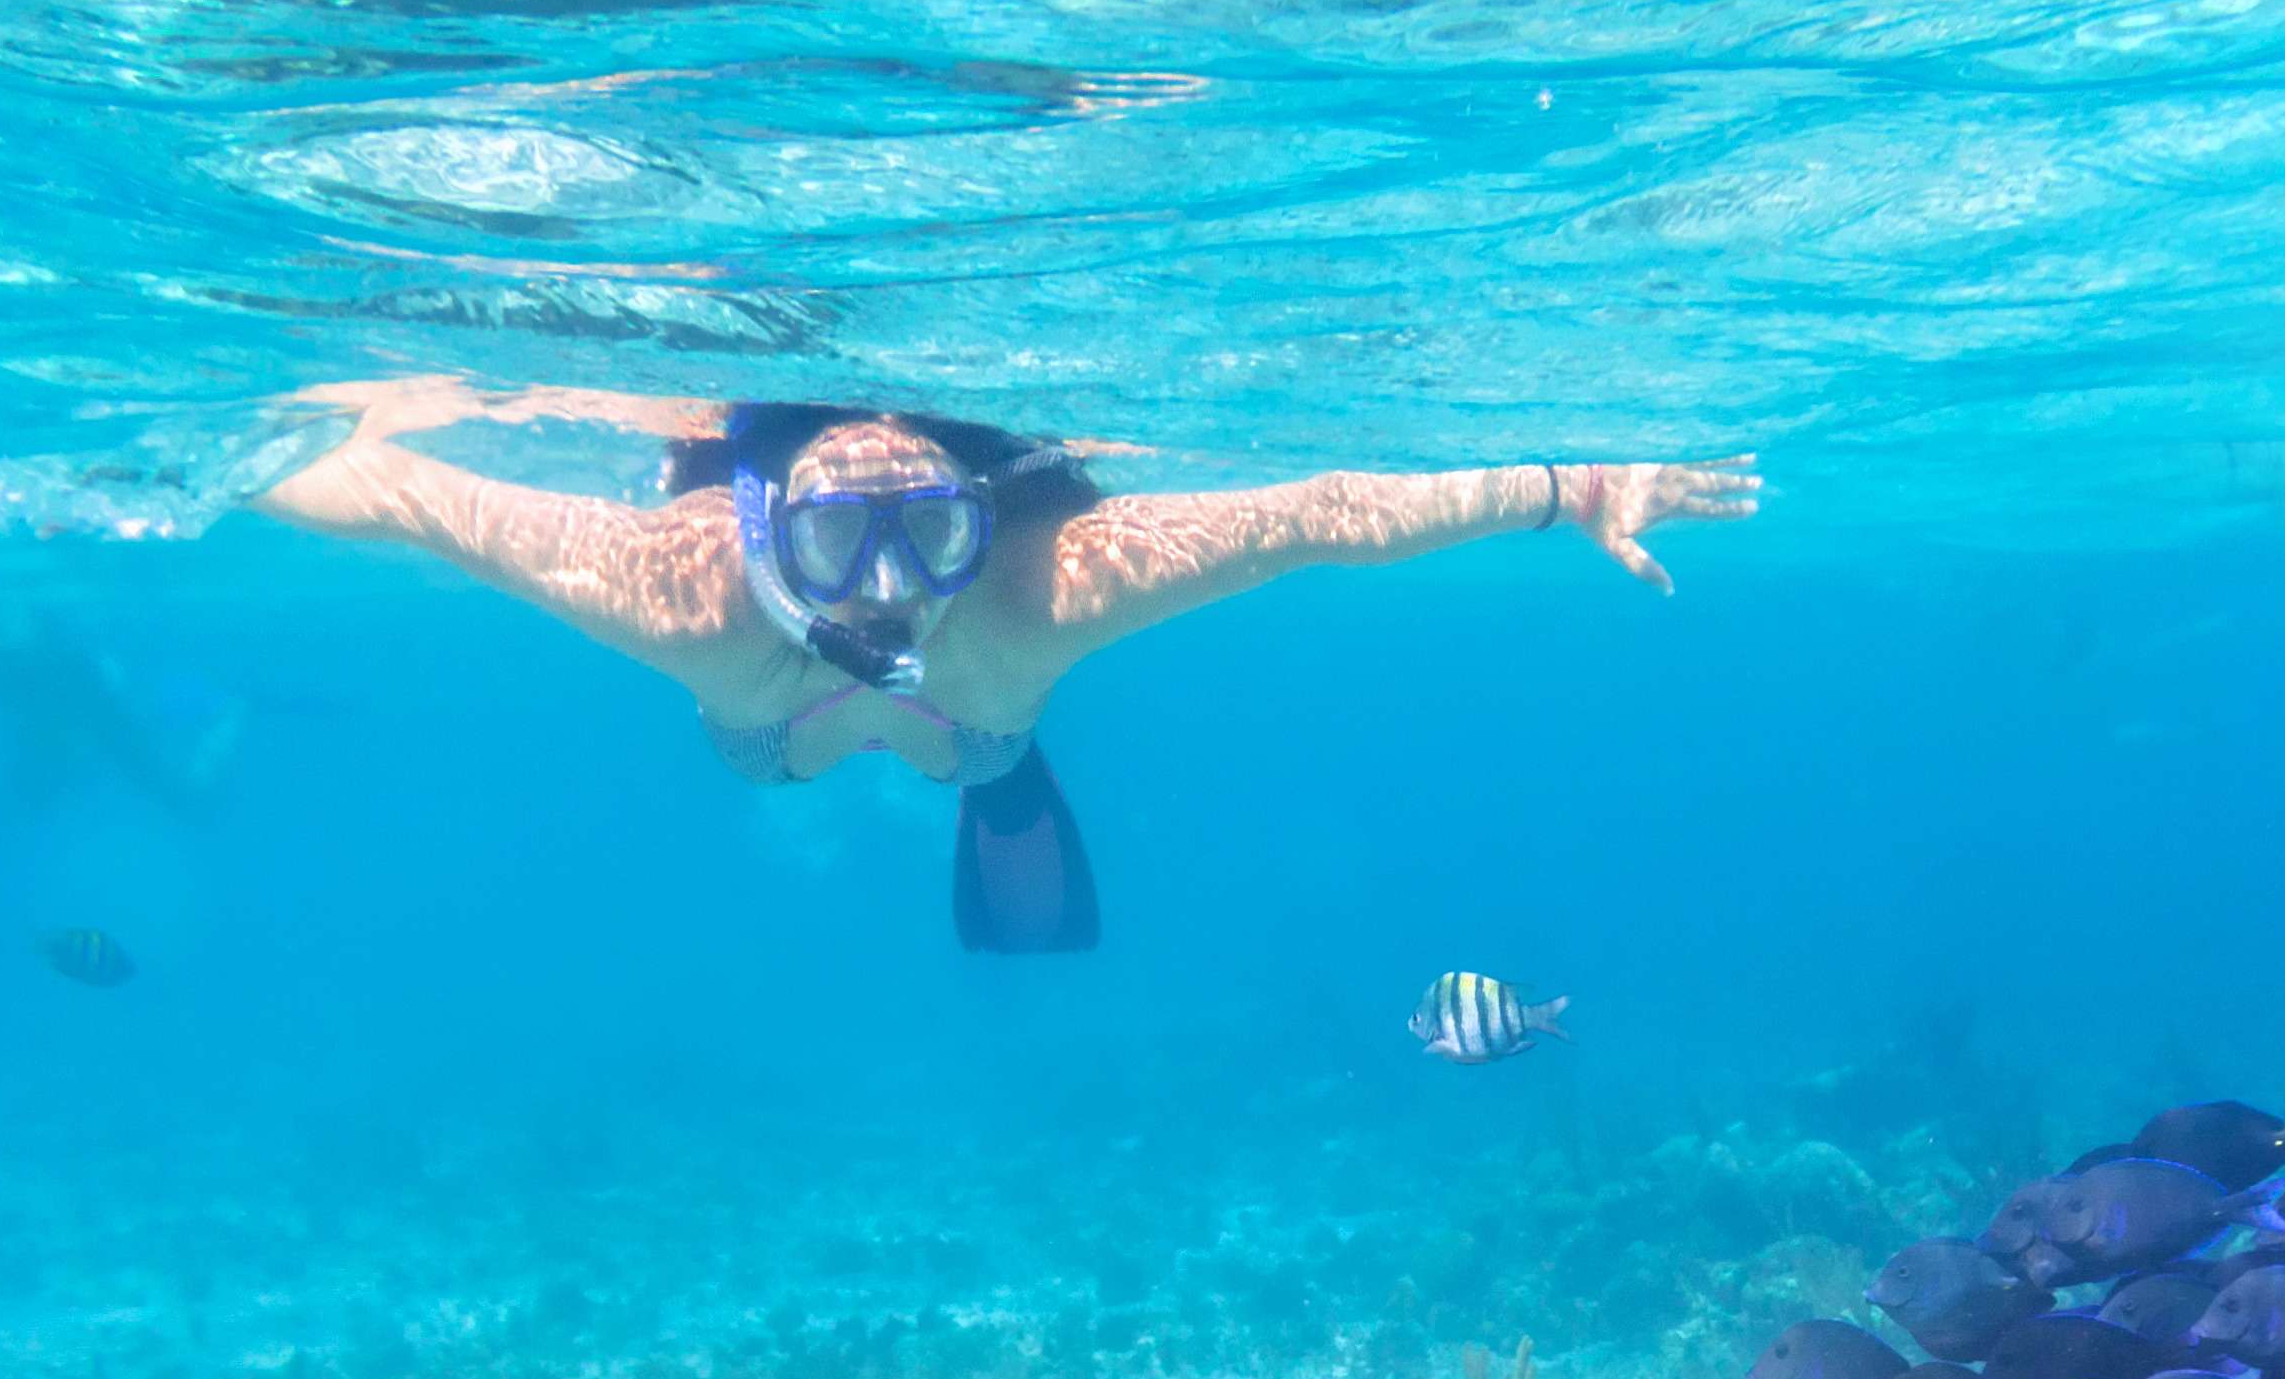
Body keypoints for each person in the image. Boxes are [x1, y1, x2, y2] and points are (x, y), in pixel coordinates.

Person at [255, 380, 1760, 951]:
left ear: (987, 515)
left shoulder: (1032, 595)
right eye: (846, 541)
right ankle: (994, 759)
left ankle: (1000, 769)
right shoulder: (687, 594)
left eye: (932, 533)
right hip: (779, 732)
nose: (892, 590)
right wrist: (216, 452)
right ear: (760, 521)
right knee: (886, 729)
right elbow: (399, 494)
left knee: (972, 722)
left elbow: (1316, 518)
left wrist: (1571, 486)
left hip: (970, 723)